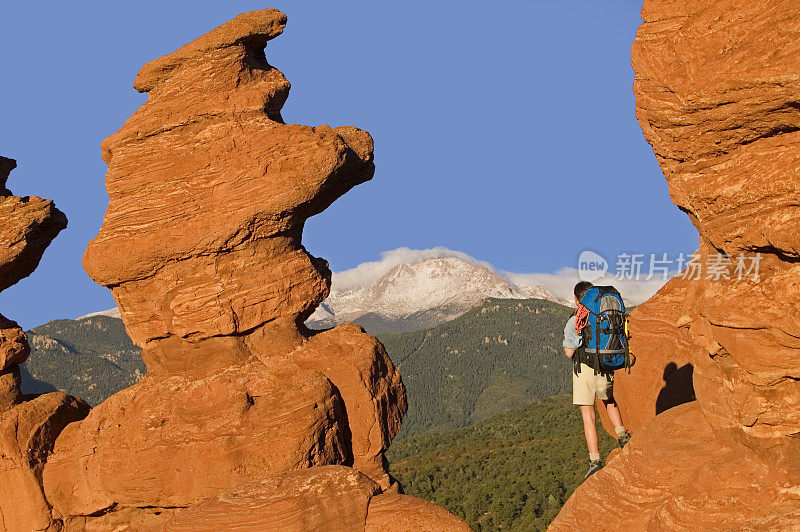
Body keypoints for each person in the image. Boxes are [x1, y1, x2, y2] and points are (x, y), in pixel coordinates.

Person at [563, 281, 631, 479]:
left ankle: (595, 461)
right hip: (606, 363)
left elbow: (569, 352)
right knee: (609, 401)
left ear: (577, 300)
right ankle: (623, 436)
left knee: (588, 414)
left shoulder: (577, 318)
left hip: (584, 367)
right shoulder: (604, 314)